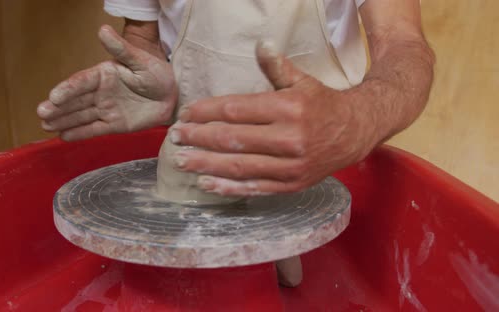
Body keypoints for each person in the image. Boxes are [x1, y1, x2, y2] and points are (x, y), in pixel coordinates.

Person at [36, 0, 435, 287]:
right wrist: (149, 76)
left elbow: (403, 44)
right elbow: (141, 35)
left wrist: (357, 119)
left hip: (319, 174)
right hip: (190, 170)